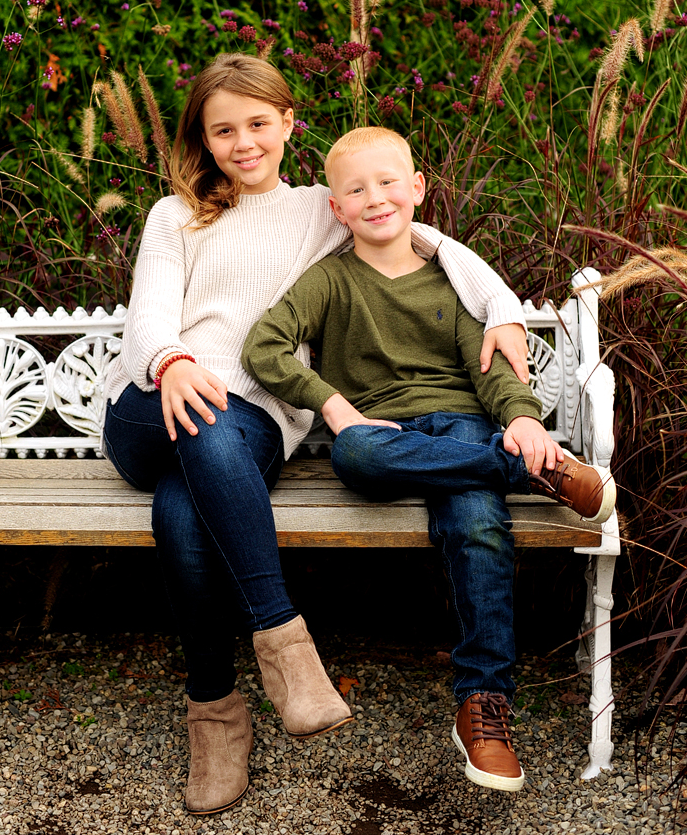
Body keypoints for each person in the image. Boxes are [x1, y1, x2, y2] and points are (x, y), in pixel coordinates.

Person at [101, 55, 533, 814]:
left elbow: (417, 232)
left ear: (288, 124)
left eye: (259, 125)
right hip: (151, 405)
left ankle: (216, 714)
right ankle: (286, 647)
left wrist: (500, 307)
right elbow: (148, 319)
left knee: (184, 503)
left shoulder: (316, 209)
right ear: (203, 138)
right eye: (224, 129)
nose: (244, 143)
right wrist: (170, 362)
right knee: (201, 418)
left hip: (249, 428)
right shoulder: (175, 216)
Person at [242, 125, 616, 793]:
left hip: (467, 430)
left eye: (388, 182)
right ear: (336, 208)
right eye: (355, 189)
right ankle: (532, 473)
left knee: (477, 525)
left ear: (417, 188)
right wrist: (332, 405)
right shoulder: (329, 282)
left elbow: (494, 371)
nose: (375, 198)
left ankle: (482, 703)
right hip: (382, 437)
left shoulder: (454, 278)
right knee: (354, 450)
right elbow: (263, 348)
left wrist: (523, 420)